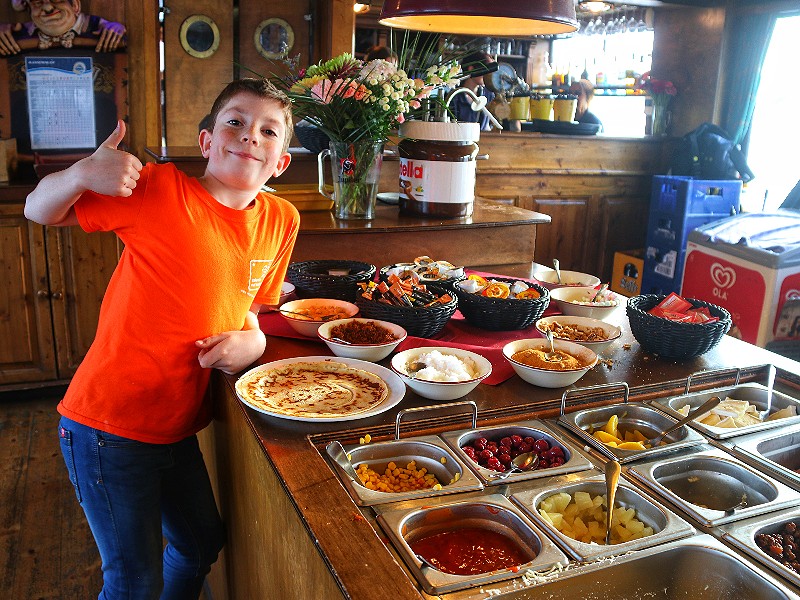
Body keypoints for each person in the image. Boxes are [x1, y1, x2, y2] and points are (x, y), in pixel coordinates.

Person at [24, 78, 299, 600]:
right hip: (108, 424)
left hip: (175, 425)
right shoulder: (158, 188)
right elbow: (38, 210)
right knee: (132, 581)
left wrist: (256, 342)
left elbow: (252, 307)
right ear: (207, 142)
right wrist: (82, 172)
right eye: (234, 123)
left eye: (269, 131)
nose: (250, 137)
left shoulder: (281, 219)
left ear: (281, 161)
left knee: (200, 545)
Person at [0, 0, 126, 55]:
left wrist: (114, 28)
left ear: (75, 5)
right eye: (38, 3)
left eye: (57, 0)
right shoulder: (20, 31)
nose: (48, 8)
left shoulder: (94, 25)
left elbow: (114, 31)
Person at [449, 50, 498, 131]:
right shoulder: (455, 98)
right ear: (471, 69)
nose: (489, 75)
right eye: (486, 70)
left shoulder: (489, 95)